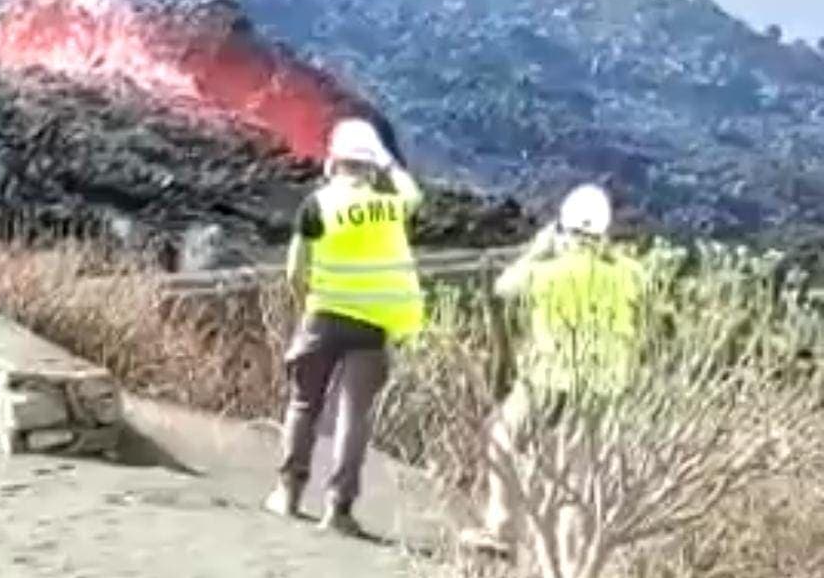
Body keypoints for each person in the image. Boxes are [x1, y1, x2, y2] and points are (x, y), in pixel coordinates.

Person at [458, 183, 646, 560]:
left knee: (502, 437)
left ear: (564, 228)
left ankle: (502, 530)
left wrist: (536, 250)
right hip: (603, 384)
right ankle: (567, 562)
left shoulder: (547, 272)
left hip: (547, 378)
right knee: (577, 478)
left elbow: (504, 287)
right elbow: (641, 283)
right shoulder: (626, 274)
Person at [263, 117, 425, 536]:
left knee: (304, 405)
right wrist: (388, 162)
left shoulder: (318, 205)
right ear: (371, 167)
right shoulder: (390, 206)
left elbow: (294, 269)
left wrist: (305, 304)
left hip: (324, 316)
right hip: (373, 326)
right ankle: (338, 510)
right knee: (353, 416)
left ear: (332, 163)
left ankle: (288, 493)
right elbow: (412, 192)